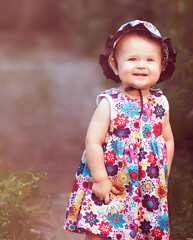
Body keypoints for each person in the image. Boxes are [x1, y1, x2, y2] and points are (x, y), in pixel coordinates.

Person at [63, 20, 177, 240]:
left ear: (162, 65)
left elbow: (167, 139)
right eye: (132, 59)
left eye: (149, 60)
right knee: (101, 228)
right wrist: (100, 180)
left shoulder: (161, 102)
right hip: (112, 181)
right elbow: (93, 141)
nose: (141, 65)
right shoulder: (110, 102)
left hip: (148, 185)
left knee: (144, 230)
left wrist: (164, 174)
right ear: (115, 65)